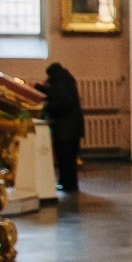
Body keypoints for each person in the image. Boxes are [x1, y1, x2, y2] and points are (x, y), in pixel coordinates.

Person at [40, 63, 84, 195]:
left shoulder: (60, 83)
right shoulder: (65, 80)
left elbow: (61, 102)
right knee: (69, 158)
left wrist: (49, 109)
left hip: (65, 129)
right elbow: (57, 95)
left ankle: (68, 184)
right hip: (73, 127)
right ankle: (68, 182)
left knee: (65, 158)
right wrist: (40, 88)